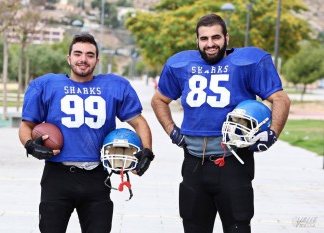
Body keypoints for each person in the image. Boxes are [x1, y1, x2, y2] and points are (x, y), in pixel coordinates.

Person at [151, 13, 290, 233]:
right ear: (197, 41)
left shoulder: (246, 62)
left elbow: (280, 98)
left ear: (226, 37)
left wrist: (272, 134)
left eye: (215, 37)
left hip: (233, 162)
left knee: (238, 227)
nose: (210, 44)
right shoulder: (181, 64)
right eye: (204, 39)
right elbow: (159, 100)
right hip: (194, 163)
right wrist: (172, 131)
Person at [18, 33, 154, 233]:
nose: (83, 59)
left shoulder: (114, 86)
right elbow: (26, 125)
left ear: (97, 61)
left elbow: (139, 122)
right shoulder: (47, 85)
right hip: (57, 176)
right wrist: (29, 144)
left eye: (90, 55)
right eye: (78, 53)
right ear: (69, 58)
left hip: (96, 177)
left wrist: (148, 151)